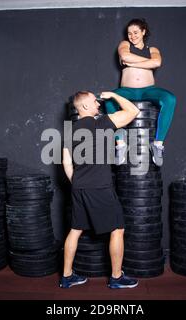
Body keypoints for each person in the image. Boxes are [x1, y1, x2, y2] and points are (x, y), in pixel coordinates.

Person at [60, 90, 139, 289]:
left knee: (75, 230)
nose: (98, 104)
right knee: (118, 229)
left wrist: (77, 182)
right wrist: (113, 95)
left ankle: (67, 276)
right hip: (100, 187)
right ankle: (116, 277)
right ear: (85, 106)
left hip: (78, 187)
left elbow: (66, 161)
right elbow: (133, 111)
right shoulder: (101, 122)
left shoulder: (69, 130)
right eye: (95, 102)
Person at [104, 18, 177, 167]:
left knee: (170, 99)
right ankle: (120, 143)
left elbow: (157, 62)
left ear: (143, 32)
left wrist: (132, 63)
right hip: (127, 90)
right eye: (129, 33)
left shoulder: (153, 50)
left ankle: (157, 144)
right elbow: (125, 56)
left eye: (136, 32)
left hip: (148, 90)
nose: (132, 36)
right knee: (109, 100)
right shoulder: (125, 45)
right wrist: (145, 62)